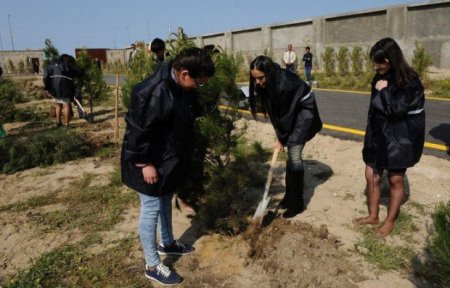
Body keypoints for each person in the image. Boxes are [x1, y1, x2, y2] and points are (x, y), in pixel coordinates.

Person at [121, 47, 215, 285]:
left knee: (165, 200)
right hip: (149, 162)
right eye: (199, 83)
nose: (199, 87)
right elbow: (137, 132)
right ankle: (152, 265)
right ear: (184, 74)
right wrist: (144, 163)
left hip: (168, 159)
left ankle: (168, 243)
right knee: (151, 207)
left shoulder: (180, 87)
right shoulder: (151, 92)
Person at [353, 37, 425, 238]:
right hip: (378, 134)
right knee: (371, 174)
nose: (376, 66)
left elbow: (396, 110)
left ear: (392, 59)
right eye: (374, 62)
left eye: (380, 62)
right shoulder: (378, 76)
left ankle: (390, 221)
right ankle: (373, 215)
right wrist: (370, 134)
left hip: (400, 139)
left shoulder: (410, 81)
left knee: (395, 180)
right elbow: (373, 109)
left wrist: (383, 91)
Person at [249, 55, 322, 218]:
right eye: (255, 79)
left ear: (268, 72)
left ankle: (297, 203)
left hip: (304, 112)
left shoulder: (285, 84)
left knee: (294, 156)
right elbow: (277, 114)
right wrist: (280, 135)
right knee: (290, 156)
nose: (258, 82)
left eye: (261, 78)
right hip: (291, 111)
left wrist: (281, 138)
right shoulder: (268, 84)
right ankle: (289, 197)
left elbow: (286, 116)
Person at [44, 54, 83, 128]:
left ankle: (58, 123)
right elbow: (78, 73)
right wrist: (83, 71)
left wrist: (47, 88)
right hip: (66, 88)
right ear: (67, 59)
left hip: (55, 88)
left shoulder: (52, 65)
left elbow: (46, 77)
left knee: (58, 105)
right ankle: (67, 124)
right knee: (66, 106)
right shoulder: (69, 65)